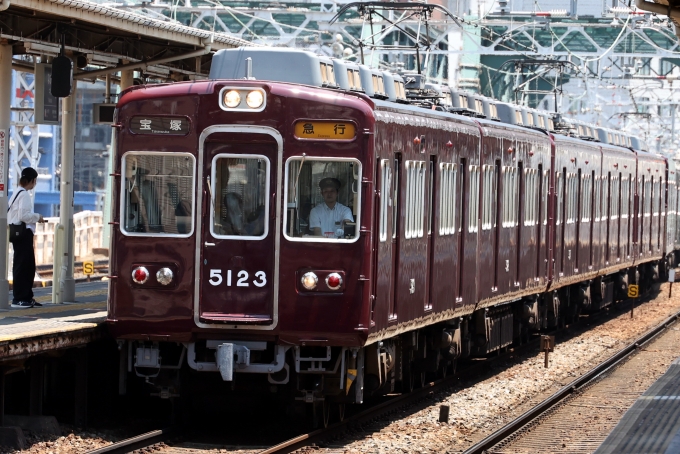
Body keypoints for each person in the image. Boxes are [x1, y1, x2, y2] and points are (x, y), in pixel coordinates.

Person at [8, 167, 46, 308]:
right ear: (32, 180)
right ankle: (20, 298)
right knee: (24, 266)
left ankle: (26, 297)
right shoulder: (24, 194)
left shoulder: (16, 192)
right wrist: (38, 217)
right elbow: (23, 216)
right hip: (23, 235)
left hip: (18, 234)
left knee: (27, 266)